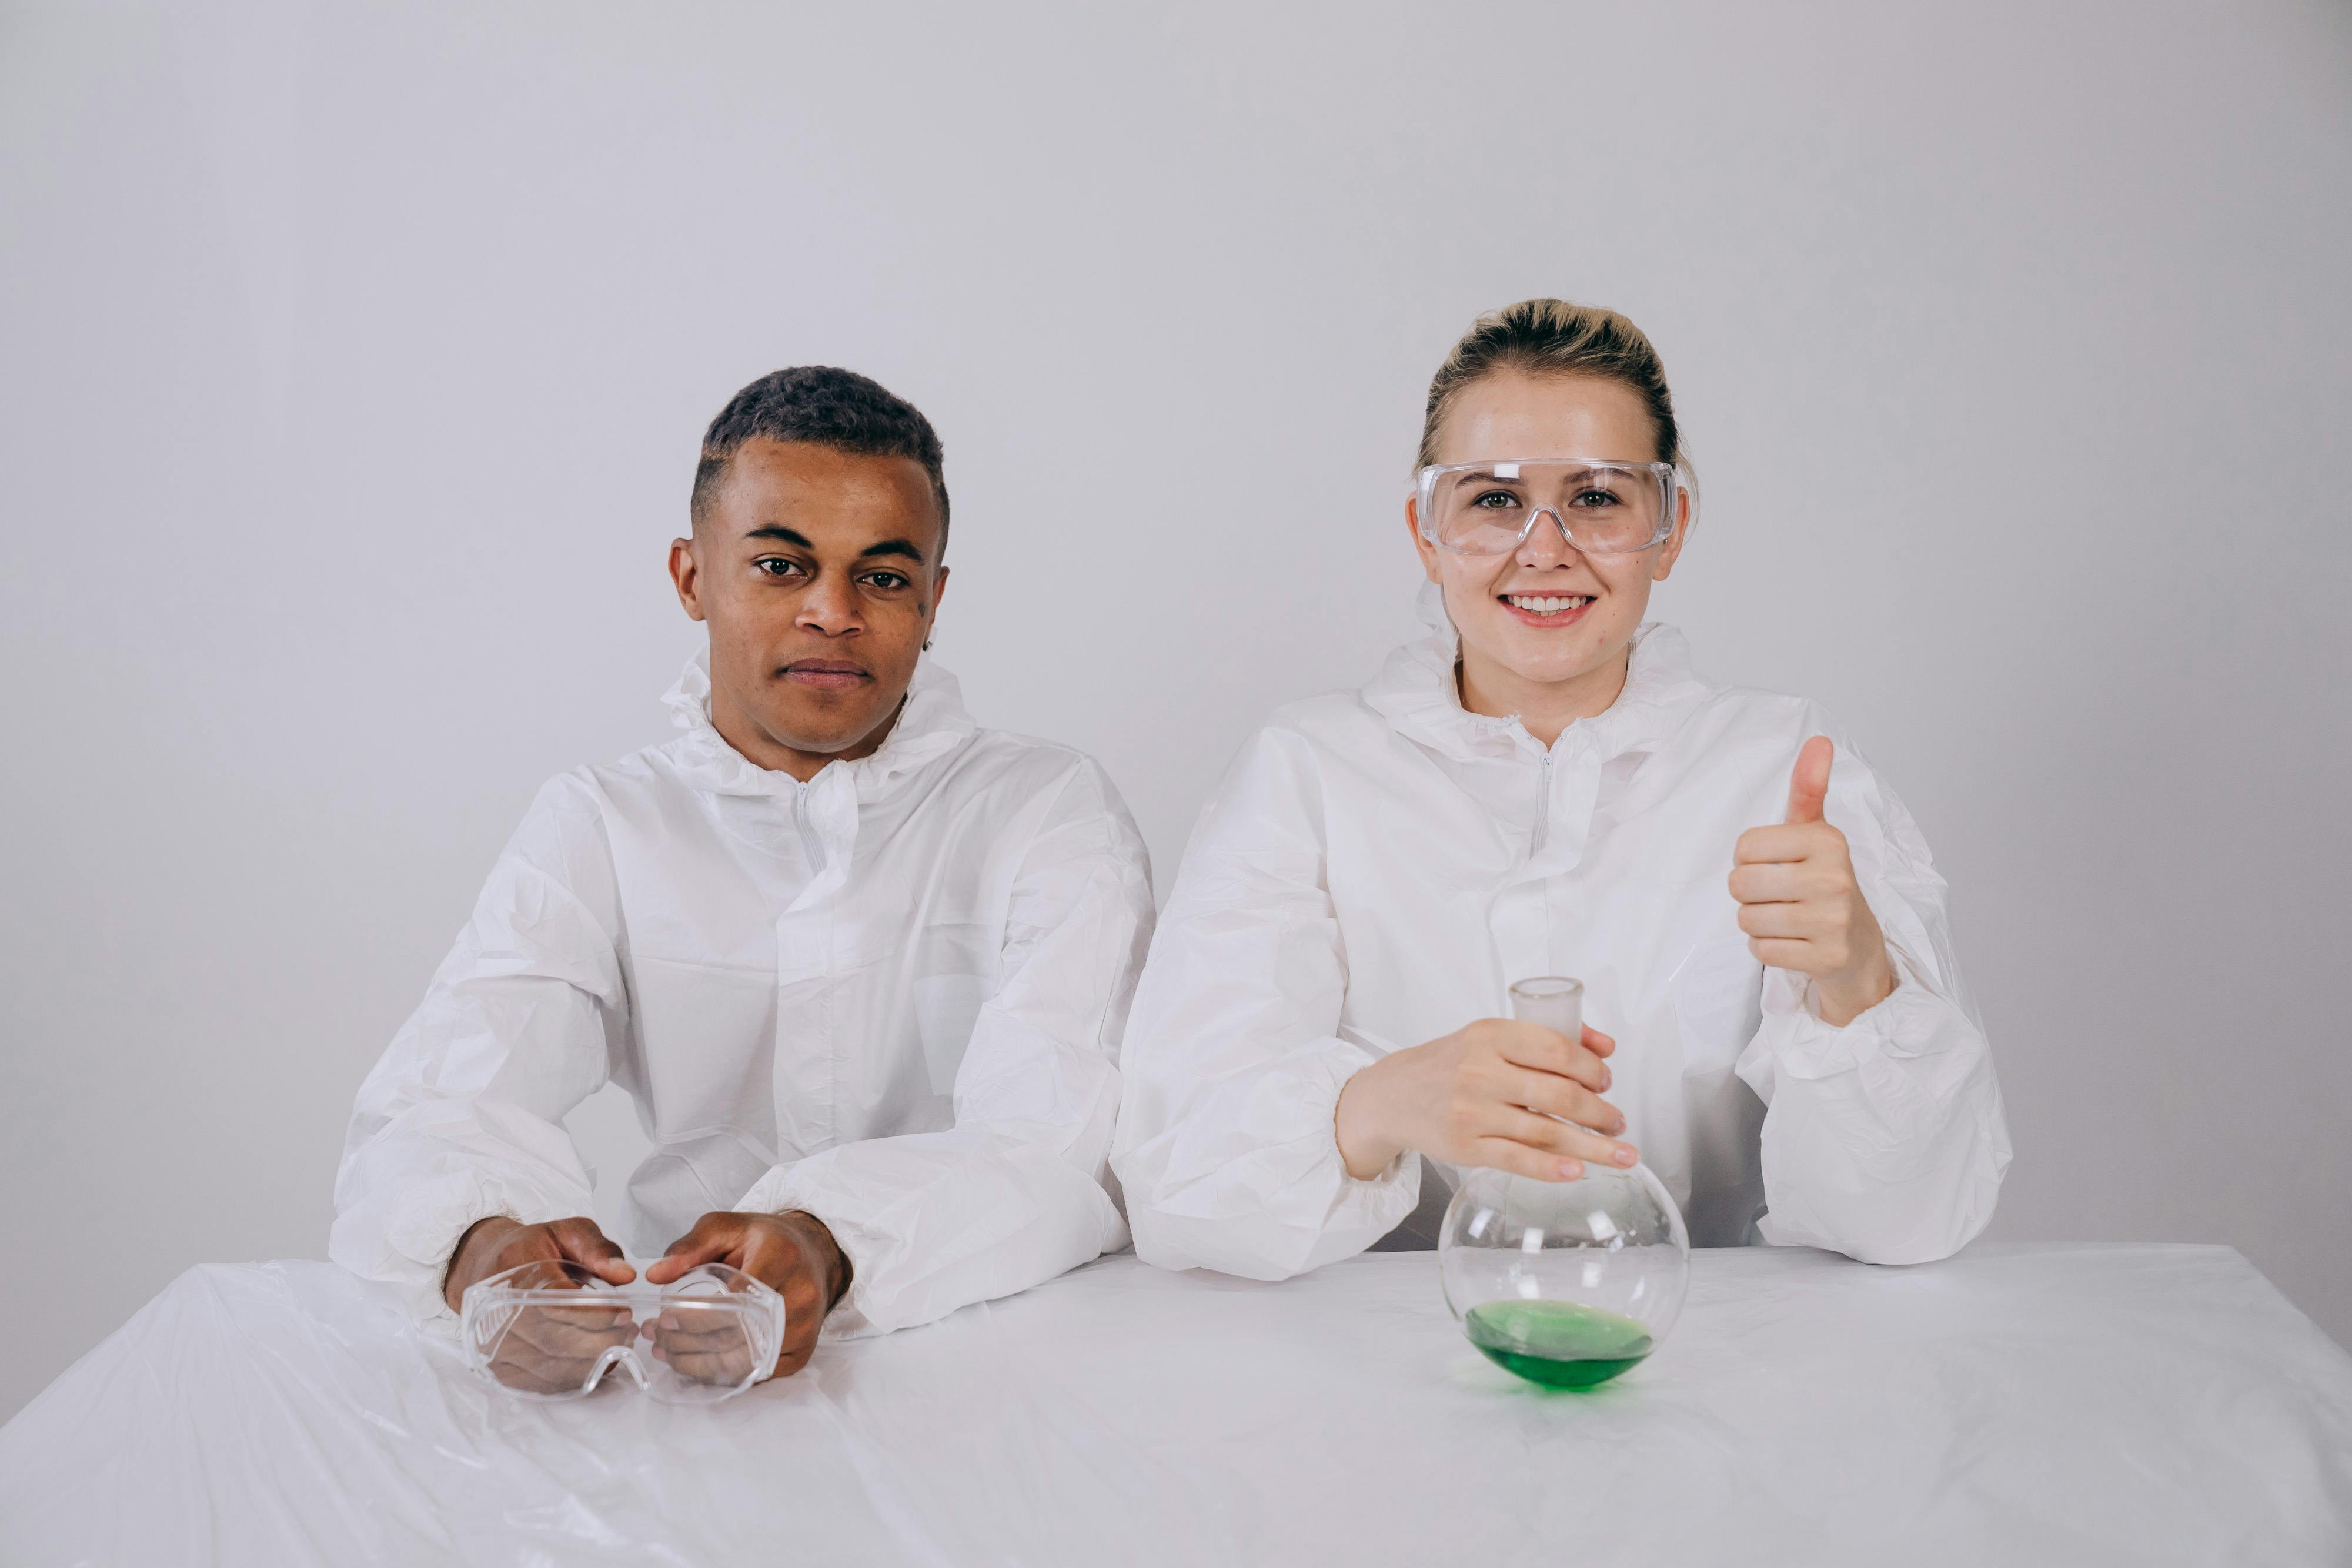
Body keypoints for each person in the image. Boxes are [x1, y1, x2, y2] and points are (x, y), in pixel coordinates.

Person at [1111, 300, 2009, 1279]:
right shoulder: (1307, 771)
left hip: (1710, 1358)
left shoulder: (1786, 769)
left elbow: (1915, 1222)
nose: (1544, 548)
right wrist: (1378, 1105)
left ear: (1667, 531)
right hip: (1381, 1366)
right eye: (1494, 500)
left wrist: (1857, 982)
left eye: (1598, 497)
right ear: (1427, 532)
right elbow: (1176, 1188)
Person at [332, 367, 1154, 1382]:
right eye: (779, 565)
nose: (833, 612)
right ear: (691, 578)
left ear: (935, 599)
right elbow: (442, 1096)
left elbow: (1068, 1146)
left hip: (996, 1363)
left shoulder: (1044, 810)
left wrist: (836, 1241)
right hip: (672, 1362)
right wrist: (480, 1247)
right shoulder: (602, 822)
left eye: (885, 578)